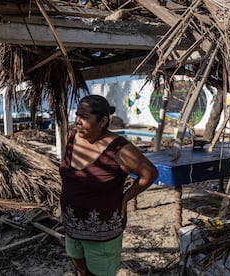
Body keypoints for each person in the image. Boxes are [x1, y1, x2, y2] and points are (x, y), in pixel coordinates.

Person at [59, 95, 159, 276]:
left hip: (102, 232)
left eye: (85, 117)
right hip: (71, 225)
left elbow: (150, 174)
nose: (78, 121)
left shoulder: (120, 150)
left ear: (103, 121)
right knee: (80, 270)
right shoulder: (73, 137)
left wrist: (126, 197)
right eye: (77, 115)